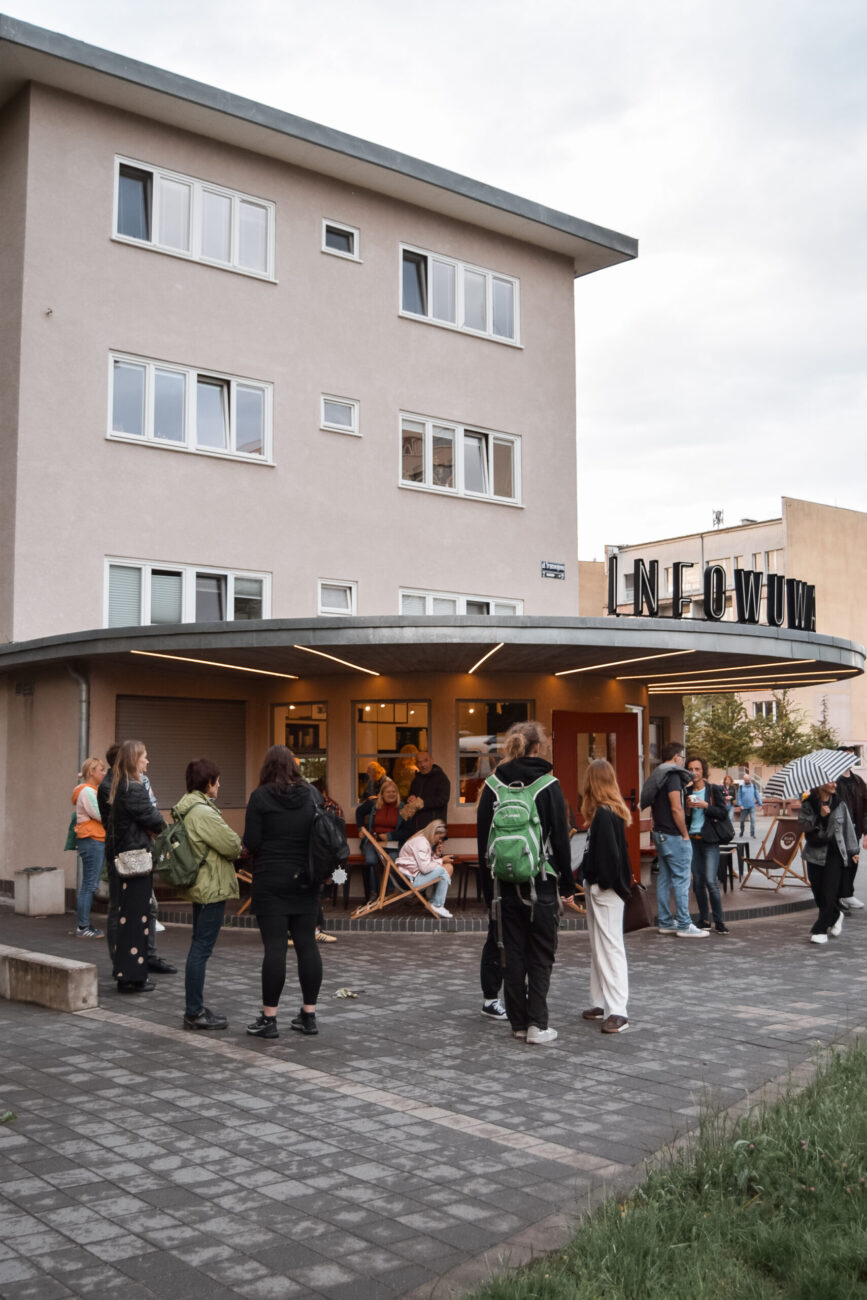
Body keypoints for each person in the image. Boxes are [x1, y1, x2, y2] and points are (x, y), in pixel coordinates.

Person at [476, 720, 575, 1045]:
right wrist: (567, 886)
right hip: (542, 880)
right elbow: (560, 841)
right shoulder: (549, 785)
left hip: (503, 884)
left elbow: (483, 844)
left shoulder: (492, 786)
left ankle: (518, 1024)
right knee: (541, 953)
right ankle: (537, 1025)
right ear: (538, 747)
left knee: (512, 953)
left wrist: (486, 891)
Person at [243, 745, 324, 1039]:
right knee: (307, 945)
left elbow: (252, 841)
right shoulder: (313, 795)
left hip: (270, 880)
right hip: (306, 880)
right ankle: (309, 1015)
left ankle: (269, 1019)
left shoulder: (260, 797)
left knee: (275, 948)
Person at [174, 758, 242, 1030]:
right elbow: (232, 845)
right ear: (208, 783)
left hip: (200, 884)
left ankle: (196, 1008)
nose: (219, 785)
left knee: (198, 946)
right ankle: (194, 1012)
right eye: (217, 781)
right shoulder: (203, 812)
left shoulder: (187, 807)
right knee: (201, 949)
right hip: (211, 886)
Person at [98, 744, 177, 977]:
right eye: (144, 757)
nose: (147, 761)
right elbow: (151, 817)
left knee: (145, 908)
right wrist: (156, 827)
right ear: (131, 760)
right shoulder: (124, 786)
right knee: (123, 909)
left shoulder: (127, 784)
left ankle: (142, 957)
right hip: (129, 856)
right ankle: (125, 962)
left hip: (131, 853)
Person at [577, 759, 632, 1034]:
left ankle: (618, 1010)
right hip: (601, 888)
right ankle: (600, 1002)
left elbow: (610, 857)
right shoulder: (608, 812)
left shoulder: (604, 814)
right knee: (600, 946)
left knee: (609, 947)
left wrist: (600, 884)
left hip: (605, 890)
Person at [649, 742, 708, 937]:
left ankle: (666, 921)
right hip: (673, 835)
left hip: (659, 832)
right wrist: (684, 834)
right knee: (682, 880)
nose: (683, 760)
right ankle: (684, 924)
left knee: (664, 879)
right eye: (682, 757)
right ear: (676, 757)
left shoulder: (658, 774)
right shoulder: (673, 775)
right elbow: (675, 808)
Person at [799, 781, 859, 945]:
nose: (834, 785)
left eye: (835, 782)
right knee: (818, 893)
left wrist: (853, 851)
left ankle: (820, 930)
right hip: (814, 854)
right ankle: (836, 915)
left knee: (828, 893)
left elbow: (848, 828)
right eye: (830, 782)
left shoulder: (839, 804)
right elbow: (803, 826)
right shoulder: (808, 804)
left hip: (835, 853)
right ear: (820, 784)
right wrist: (820, 815)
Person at [685, 755, 730, 934]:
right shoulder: (686, 791)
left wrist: (706, 806)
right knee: (698, 883)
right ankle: (704, 919)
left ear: (703, 770)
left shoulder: (713, 789)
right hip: (692, 840)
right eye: (690, 769)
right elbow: (685, 818)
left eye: (697, 769)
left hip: (710, 841)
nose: (694, 772)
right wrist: (687, 808)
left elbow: (723, 813)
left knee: (711, 881)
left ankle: (719, 921)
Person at [71, 756, 107, 938]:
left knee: (89, 884)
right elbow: (100, 815)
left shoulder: (90, 790)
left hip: (93, 840)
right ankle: (83, 927)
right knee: (89, 885)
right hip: (93, 840)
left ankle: (83, 925)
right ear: (92, 772)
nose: (104, 773)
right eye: (101, 770)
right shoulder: (87, 792)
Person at [394, 821, 454, 918]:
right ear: (434, 833)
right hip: (411, 881)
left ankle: (434, 903)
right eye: (440, 837)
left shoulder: (421, 840)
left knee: (445, 868)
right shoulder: (421, 842)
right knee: (442, 870)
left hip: (411, 877)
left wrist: (436, 855)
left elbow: (424, 863)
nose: (440, 841)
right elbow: (425, 868)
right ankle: (437, 904)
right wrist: (441, 860)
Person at [360, 778, 405, 896]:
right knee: (371, 861)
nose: (391, 794)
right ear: (382, 794)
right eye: (388, 792)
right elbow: (359, 811)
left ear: (397, 793)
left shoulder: (402, 807)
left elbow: (406, 831)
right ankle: (373, 892)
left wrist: (389, 836)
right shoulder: (374, 805)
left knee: (392, 859)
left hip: (393, 843)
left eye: (394, 792)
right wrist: (360, 829)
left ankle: (389, 892)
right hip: (373, 842)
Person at [835, 749, 867, 911]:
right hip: (838, 829)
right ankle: (838, 895)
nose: (850, 759)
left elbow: (866, 808)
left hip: (856, 829)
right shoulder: (833, 781)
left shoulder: (859, 781)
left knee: (853, 860)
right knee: (840, 862)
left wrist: (866, 832)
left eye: (852, 756)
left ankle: (847, 894)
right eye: (846, 756)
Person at [399, 751, 451, 841]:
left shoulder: (441, 778)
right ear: (416, 764)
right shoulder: (416, 780)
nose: (422, 765)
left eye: (425, 761)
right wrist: (410, 799)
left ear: (432, 761)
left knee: (434, 851)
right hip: (417, 829)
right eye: (419, 762)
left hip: (435, 829)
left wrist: (423, 803)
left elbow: (443, 799)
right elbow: (411, 797)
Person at [735, 772, 763, 839]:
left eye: (748, 779)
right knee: (742, 821)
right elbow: (738, 797)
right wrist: (740, 805)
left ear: (750, 779)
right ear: (744, 780)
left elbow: (757, 796)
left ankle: (752, 834)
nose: (747, 781)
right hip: (743, 807)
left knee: (752, 821)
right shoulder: (741, 787)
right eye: (746, 780)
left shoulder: (754, 786)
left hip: (752, 807)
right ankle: (742, 832)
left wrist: (760, 804)